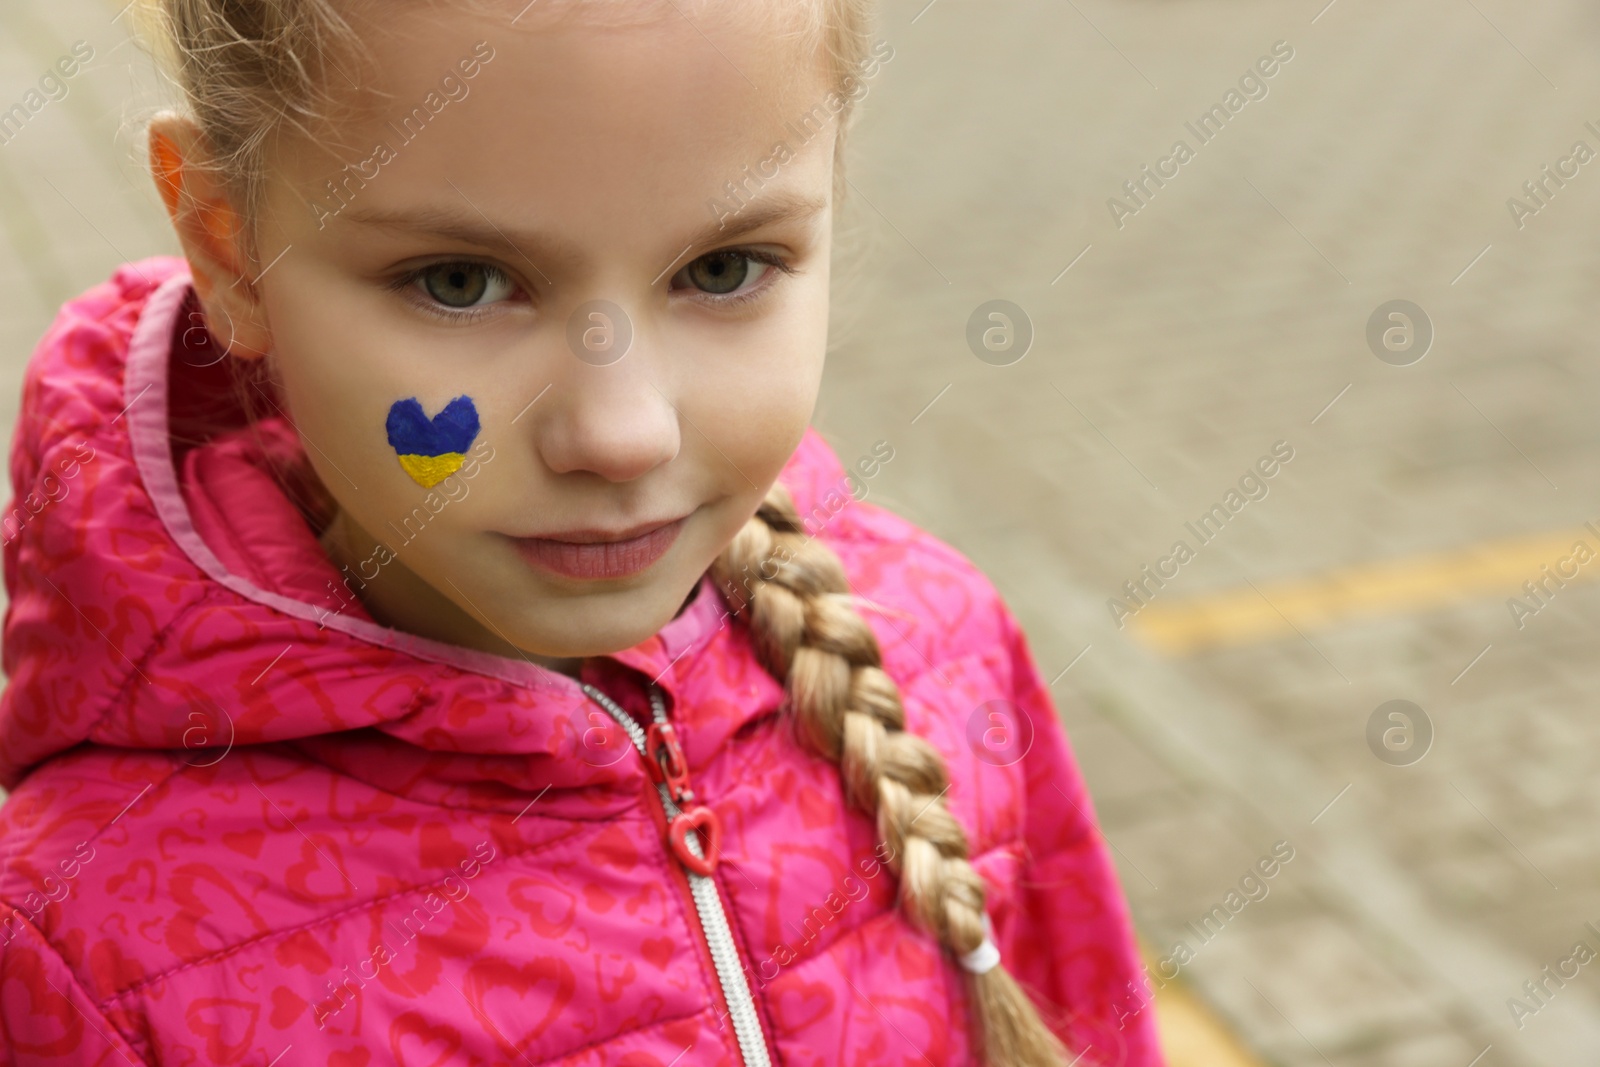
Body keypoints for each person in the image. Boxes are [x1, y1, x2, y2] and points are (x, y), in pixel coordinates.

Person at [0, 1, 1164, 1063]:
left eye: (722, 266)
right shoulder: (86, 943)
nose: (621, 432)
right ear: (225, 245)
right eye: (458, 281)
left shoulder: (942, 647)